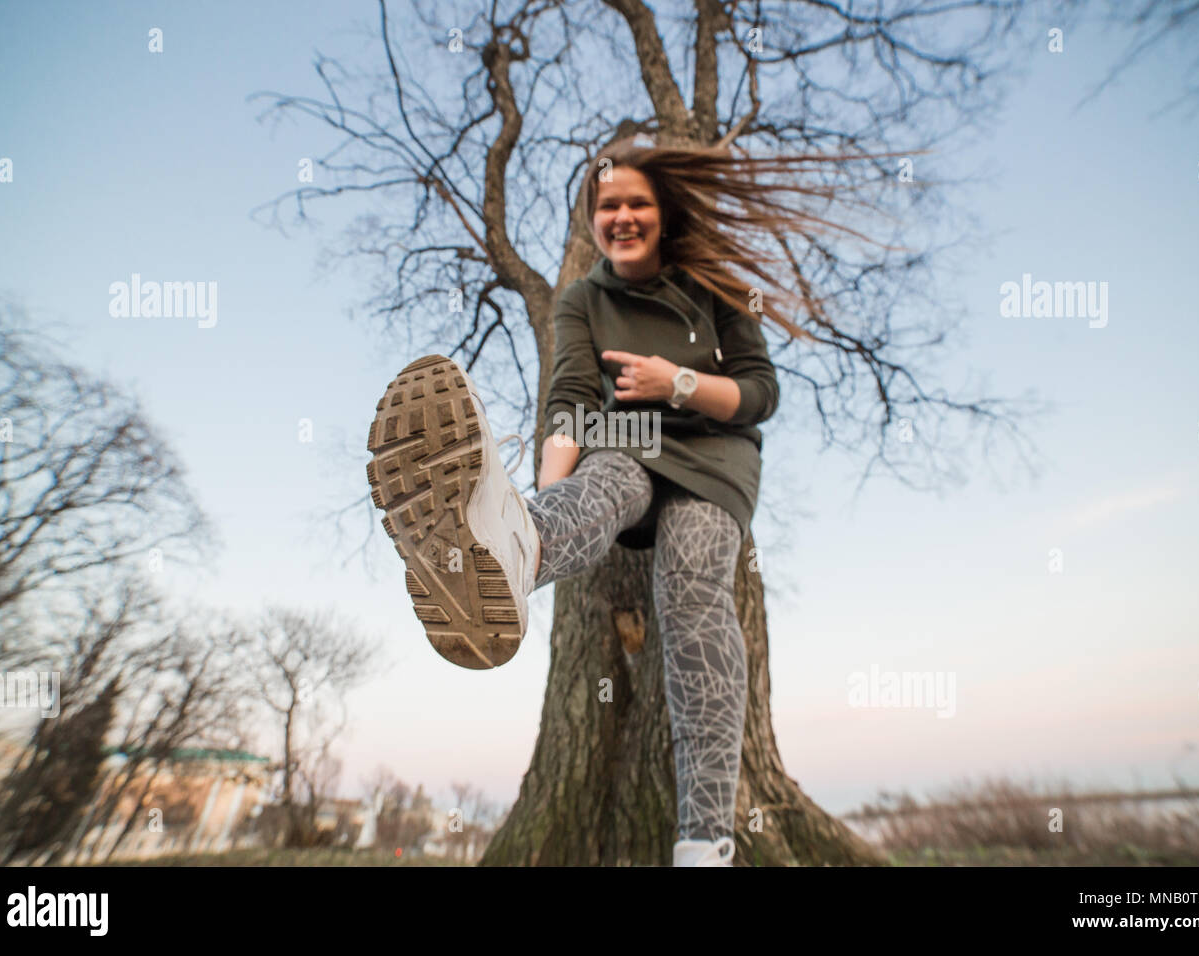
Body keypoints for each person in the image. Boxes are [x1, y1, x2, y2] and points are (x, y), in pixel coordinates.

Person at [367, 138, 865, 866]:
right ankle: (511, 549)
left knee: (692, 590)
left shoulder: (714, 285)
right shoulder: (582, 298)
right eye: (608, 206)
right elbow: (569, 402)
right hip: (624, 439)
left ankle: (702, 847)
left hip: (713, 452)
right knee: (598, 489)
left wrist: (678, 383)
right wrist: (547, 493)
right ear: (593, 220)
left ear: (662, 214)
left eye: (637, 203)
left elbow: (759, 394)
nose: (623, 216)